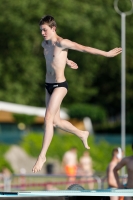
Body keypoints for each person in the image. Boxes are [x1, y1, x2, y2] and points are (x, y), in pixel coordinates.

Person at [32, 15, 122, 173]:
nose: (42, 33)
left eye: (45, 30)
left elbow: (84, 48)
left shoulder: (63, 42)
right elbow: (52, 58)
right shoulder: (44, 43)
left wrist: (106, 54)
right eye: (41, 30)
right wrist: (66, 60)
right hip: (48, 85)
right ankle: (82, 133)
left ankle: (42, 156)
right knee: (57, 122)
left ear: (53, 28)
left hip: (60, 85)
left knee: (48, 118)